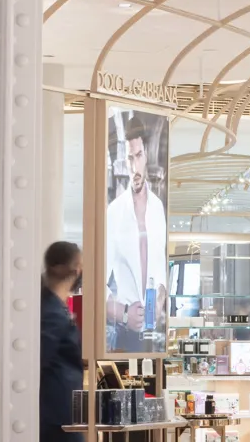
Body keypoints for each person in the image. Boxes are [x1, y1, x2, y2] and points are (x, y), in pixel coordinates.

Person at [102, 119, 166, 352]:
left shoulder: (158, 208)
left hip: (157, 336)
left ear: (146, 156)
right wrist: (123, 313)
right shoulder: (115, 212)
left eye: (138, 156)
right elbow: (96, 283)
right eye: (130, 158)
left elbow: (162, 270)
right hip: (126, 335)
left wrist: (159, 300)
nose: (134, 167)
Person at [40, 241, 85, 442]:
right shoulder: (53, 312)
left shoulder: (53, 306)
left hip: (59, 413)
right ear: (75, 270)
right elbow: (41, 358)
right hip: (57, 416)